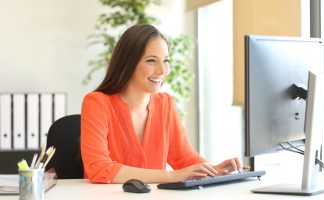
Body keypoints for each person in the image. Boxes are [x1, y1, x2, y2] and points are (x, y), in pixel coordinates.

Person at [81, 24, 249, 184]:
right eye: (152, 60)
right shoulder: (97, 103)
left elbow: (184, 158)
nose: (162, 70)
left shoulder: (165, 104)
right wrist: (172, 176)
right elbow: (98, 168)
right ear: (128, 63)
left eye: (166, 60)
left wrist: (213, 170)